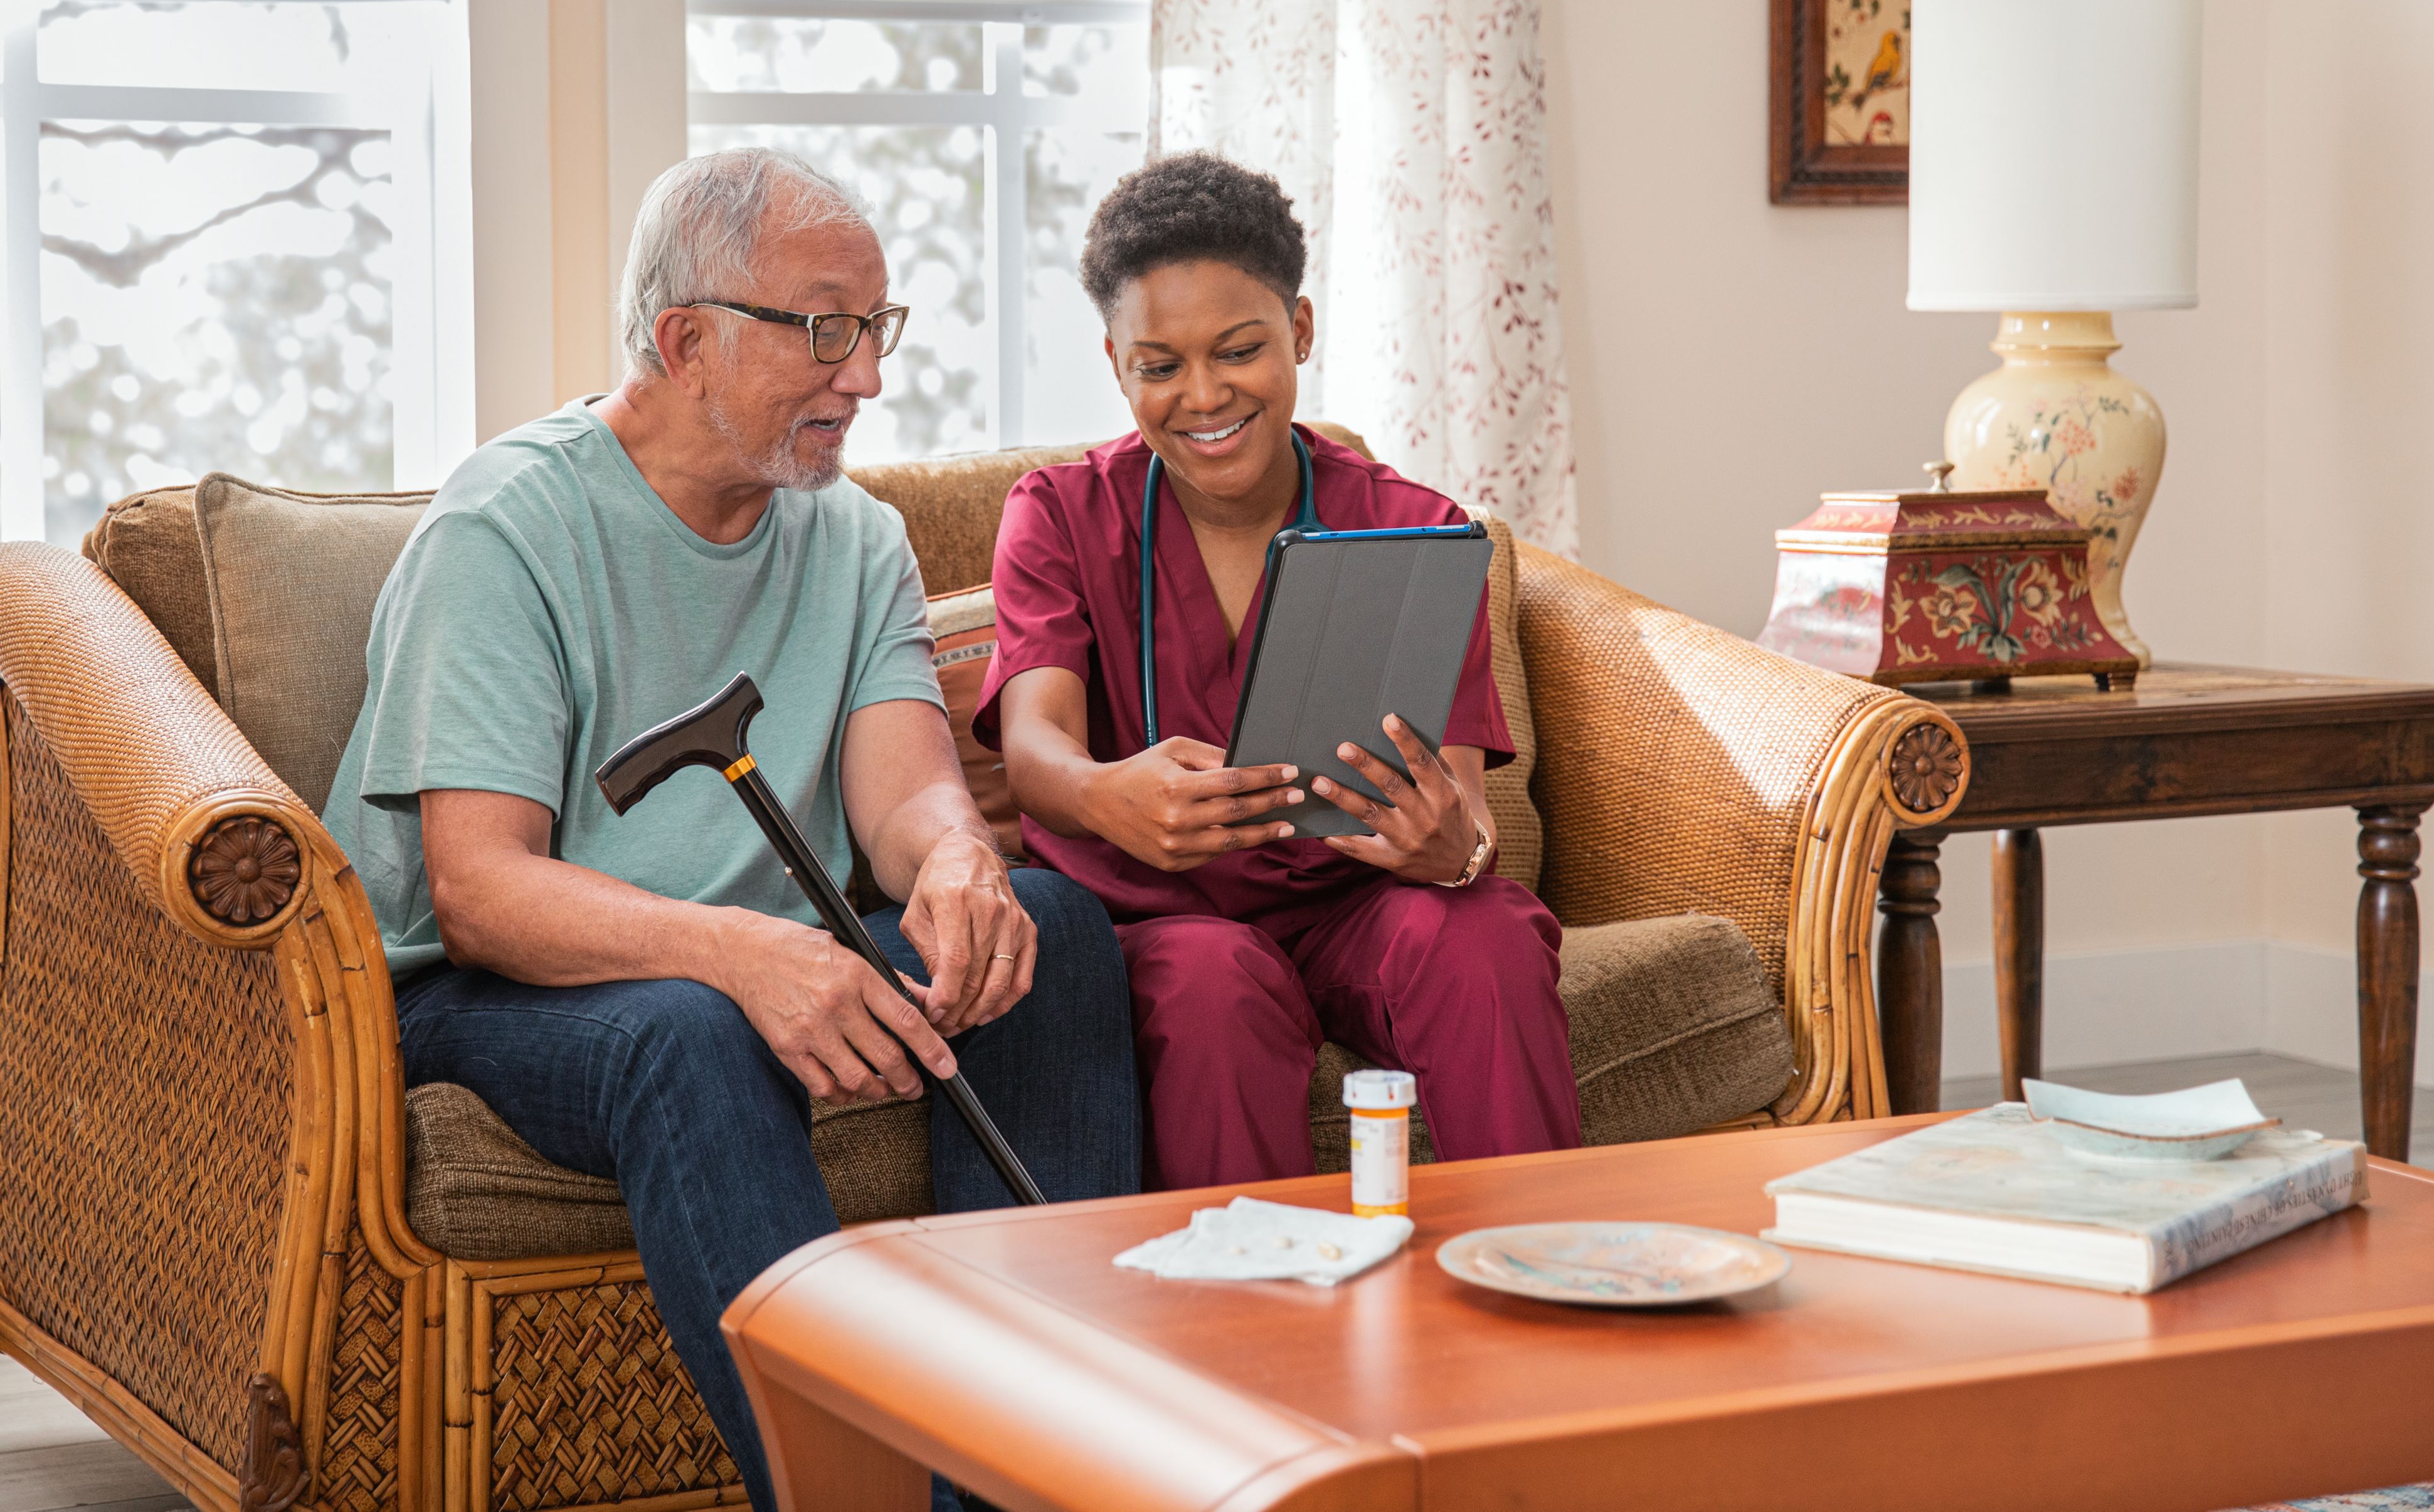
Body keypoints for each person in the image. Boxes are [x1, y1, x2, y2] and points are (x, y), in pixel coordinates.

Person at [324, 147, 1139, 1512]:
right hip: (499, 988)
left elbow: (905, 798)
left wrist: (951, 860)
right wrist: (744, 956)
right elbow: (479, 890)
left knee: (1045, 924)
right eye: (824, 330)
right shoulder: (506, 528)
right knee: (688, 1025)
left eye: (874, 330)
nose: (866, 377)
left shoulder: (852, 537)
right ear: (684, 336)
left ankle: (1019, 1481)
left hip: (747, 957)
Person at [980, 152, 1579, 1190]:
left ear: (1299, 331)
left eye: (1240, 350)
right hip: (1167, 921)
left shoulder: (1415, 527)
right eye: (1159, 365)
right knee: (1214, 984)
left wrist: (1455, 852)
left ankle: (1551, 1273)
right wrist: (1104, 796)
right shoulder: (1061, 514)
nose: (1203, 395)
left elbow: (1468, 818)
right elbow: (1035, 746)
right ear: (1117, 363)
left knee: (1480, 938)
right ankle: (1253, 1336)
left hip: (1360, 906)